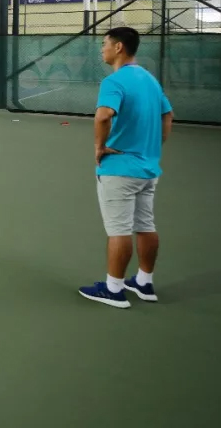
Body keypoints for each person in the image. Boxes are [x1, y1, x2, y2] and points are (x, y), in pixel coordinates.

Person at [79, 27, 173, 309]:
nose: (102, 49)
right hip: (148, 168)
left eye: (104, 44)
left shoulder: (114, 81)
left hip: (119, 169)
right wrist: (154, 145)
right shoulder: (150, 80)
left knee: (119, 230)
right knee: (145, 225)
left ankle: (114, 290)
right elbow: (167, 115)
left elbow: (103, 115)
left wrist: (99, 147)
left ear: (118, 47)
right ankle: (144, 282)